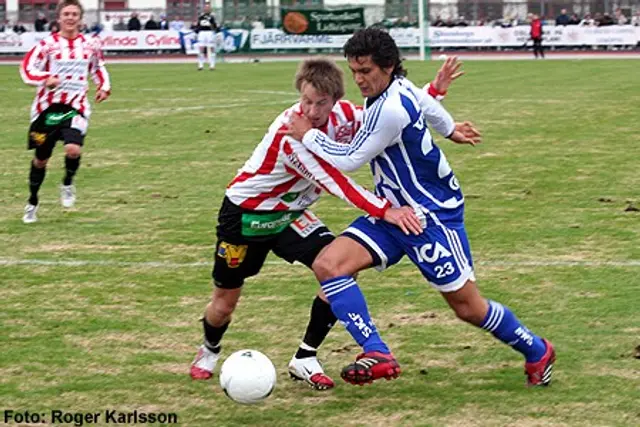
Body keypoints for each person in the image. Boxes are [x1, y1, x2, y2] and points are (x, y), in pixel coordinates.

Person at [286, 28, 555, 388]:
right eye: (354, 72)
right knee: (328, 265)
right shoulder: (396, 90)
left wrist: (308, 135)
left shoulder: (390, 109)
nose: (359, 80)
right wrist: (450, 130)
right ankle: (376, 351)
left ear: (389, 65)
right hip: (394, 212)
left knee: (468, 308)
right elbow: (429, 107)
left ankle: (537, 349)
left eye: (365, 71)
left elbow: (350, 159)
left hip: (432, 217)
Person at [189, 57, 461, 390]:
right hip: (246, 216)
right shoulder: (290, 132)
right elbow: (336, 183)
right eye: (306, 101)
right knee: (225, 303)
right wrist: (385, 211)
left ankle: (305, 356)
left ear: (334, 102)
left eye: (321, 104)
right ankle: (209, 349)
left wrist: (435, 92)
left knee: (338, 268)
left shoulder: (345, 116)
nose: (312, 111)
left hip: (291, 216)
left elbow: (392, 117)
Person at [19, 0, 110, 224]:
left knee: (73, 149)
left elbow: (99, 67)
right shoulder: (46, 45)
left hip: (75, 107)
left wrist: (104, 86)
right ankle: (32, 202)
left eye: (75, 14)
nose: (70, 18)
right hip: (46, 111)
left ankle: (68, 183)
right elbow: (26, 69)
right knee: (41, 160)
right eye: (66, 14)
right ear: (59, 18)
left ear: (80, 19)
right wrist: (44, 79)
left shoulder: (90, 45)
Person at [195, 3, 218, 71]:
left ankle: (212, 65)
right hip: (202, 33)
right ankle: (200, 65)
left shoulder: (212, 17)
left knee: (211, 48)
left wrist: (211, 24)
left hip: (209, 33)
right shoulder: (201, 17)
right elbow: (198, 26)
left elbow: (215, 26)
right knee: (201, 48)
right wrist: (196, 31)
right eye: (206, 8)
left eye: (208, 8)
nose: (207, 9)